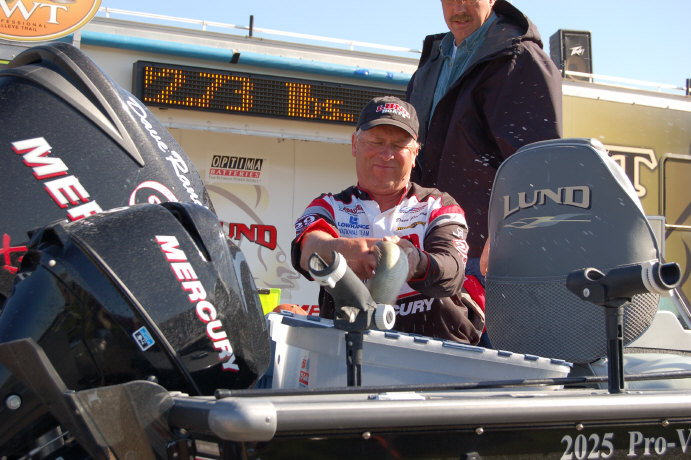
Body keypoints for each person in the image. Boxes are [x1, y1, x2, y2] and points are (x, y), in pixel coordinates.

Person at [290, 96, 484, 345]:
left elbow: (452, 269)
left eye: (399, 145)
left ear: (415, 153)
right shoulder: (330, 206)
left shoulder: (438, 205)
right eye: (376, 142)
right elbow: (307, 250)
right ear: (355, 144)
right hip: (349, 351)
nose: (386, 154)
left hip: (438, 353)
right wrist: (351, 251)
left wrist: (416, 261)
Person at [406, 0, 563, 284]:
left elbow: (540, 163)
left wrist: (511, 233)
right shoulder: (432, 63)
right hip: (430, 250)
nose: (459, 8)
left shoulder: (519, 58)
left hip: (486, 257)